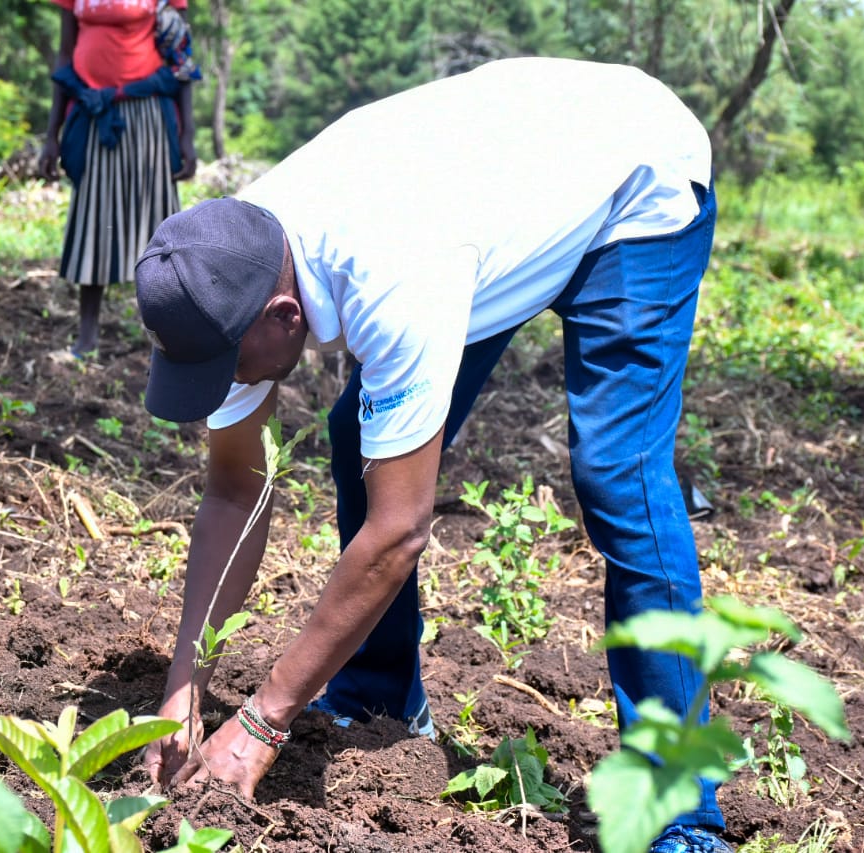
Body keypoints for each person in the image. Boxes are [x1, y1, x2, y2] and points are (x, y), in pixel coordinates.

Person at [135, 58, 730, 853]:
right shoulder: (229, 261)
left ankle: (681, 811)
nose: (227, 385)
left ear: (284, 315)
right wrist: (184, 688)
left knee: (619, 473)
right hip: (499, 195)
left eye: (228, 367)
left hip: (632, 175)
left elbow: (400, 529)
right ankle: (378, 698)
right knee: (359, 437)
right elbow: (235, 490)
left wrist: (262, 720)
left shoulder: (392, 273)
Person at [38, 0, 198, 358]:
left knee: (156, 223)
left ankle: (166, 334)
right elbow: (65, 56)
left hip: (146, 113)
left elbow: (182, 56)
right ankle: (87, 336)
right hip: (94, 110)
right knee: (93, 215)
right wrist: (52, 134)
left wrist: (188, 133)